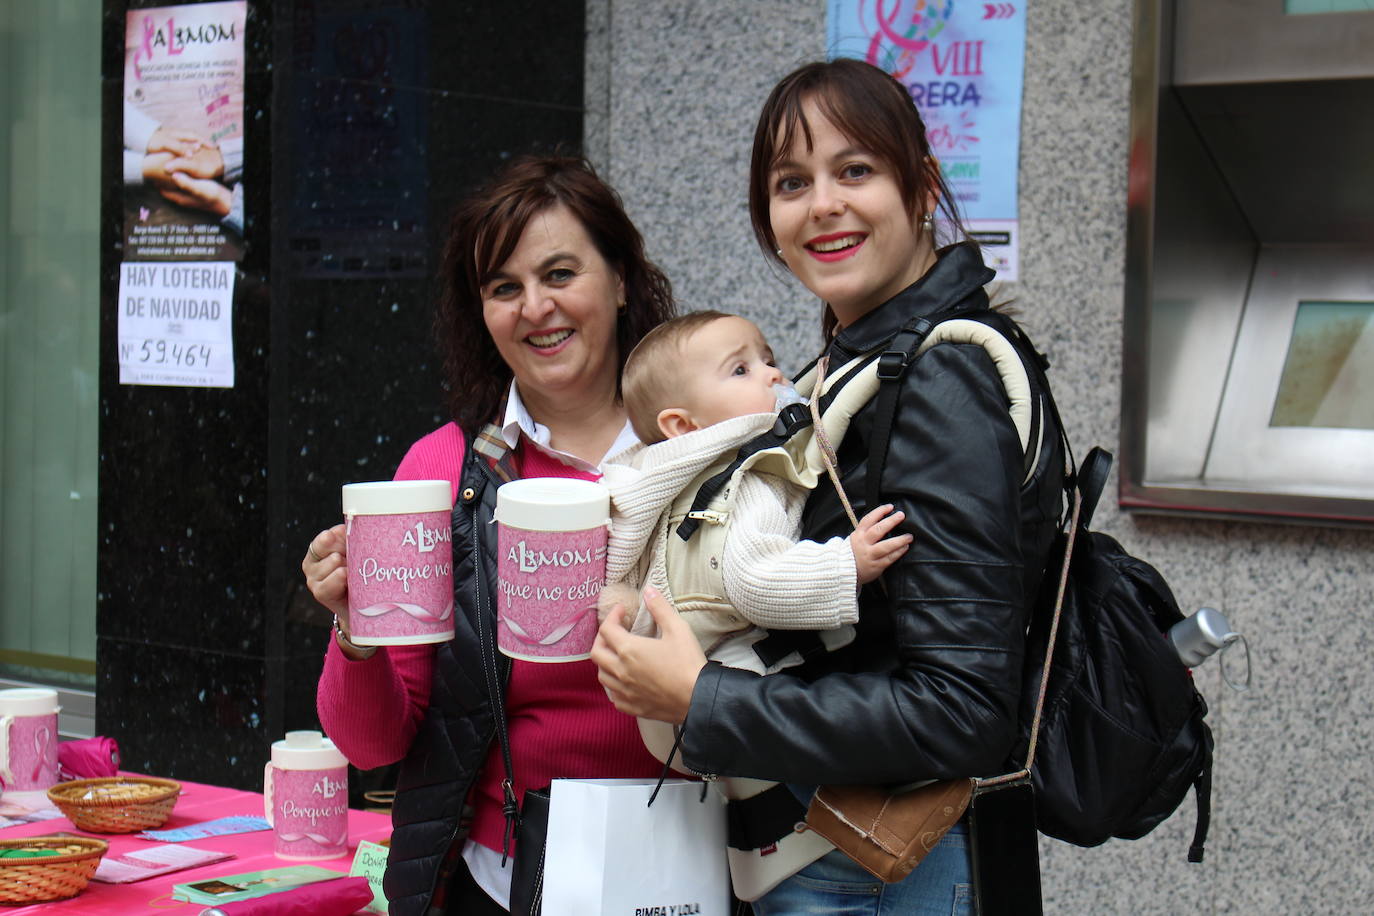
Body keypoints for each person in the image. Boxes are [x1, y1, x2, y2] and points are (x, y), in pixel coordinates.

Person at [591, 58, 1067, 915]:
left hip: (891, 868)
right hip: (836, 859)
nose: (822, 206)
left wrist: (702, 699)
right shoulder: (845, 367)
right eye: (790, 182)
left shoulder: (941, 378)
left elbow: (962, 710)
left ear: (922, 186)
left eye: (856, 171)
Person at [302, 156, 675, 916]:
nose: (536, 307)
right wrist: (355, 630)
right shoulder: (440, 469)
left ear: (622, 279)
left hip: (684, 867)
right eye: (505, 288)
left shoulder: (697, 445)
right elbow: (373, 745)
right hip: (499, 879)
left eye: (561, 274)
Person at [601, 309, 911, 676]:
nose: (774, 374)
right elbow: (755, 584)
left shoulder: (666, 486)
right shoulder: (744, 482)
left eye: (768, 359)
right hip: (740, 687)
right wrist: (847, 564)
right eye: (740, 370)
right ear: (683, 425)